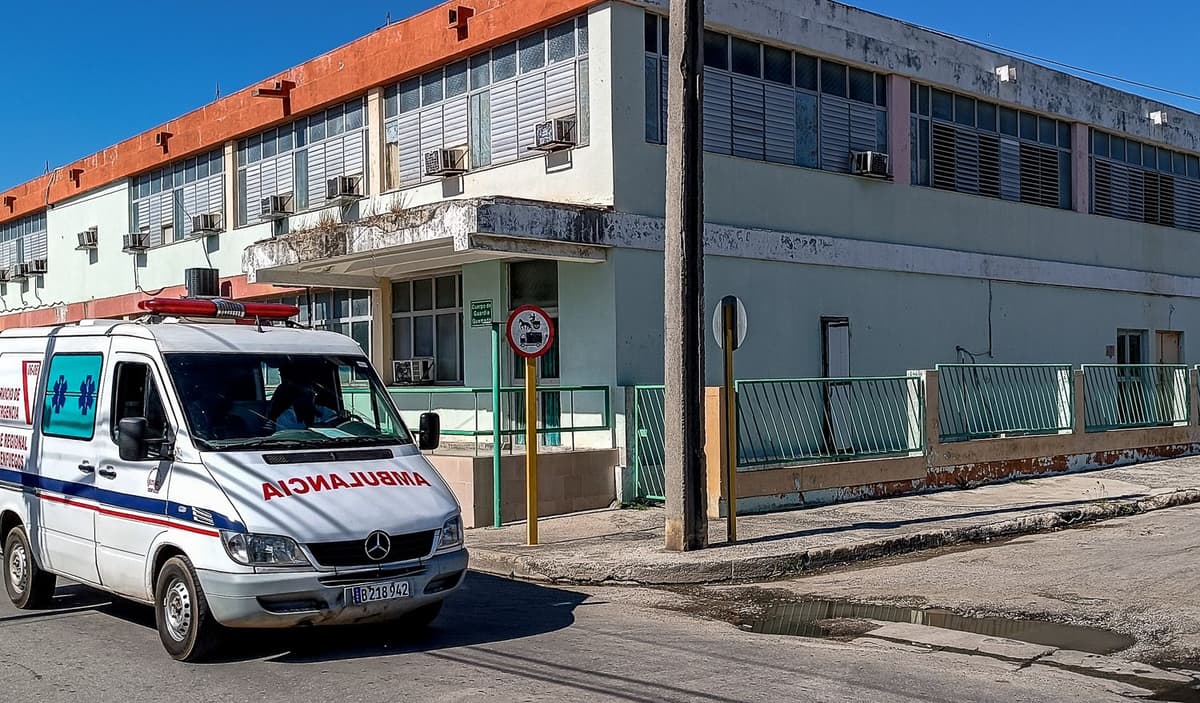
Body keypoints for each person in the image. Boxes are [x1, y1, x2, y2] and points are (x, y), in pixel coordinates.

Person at [268, 363, 338, 431]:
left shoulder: (323, 411)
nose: (313, 396)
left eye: (313, 393)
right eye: (307, 394)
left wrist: (339, 418)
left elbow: (336, 422)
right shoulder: (286, 417)